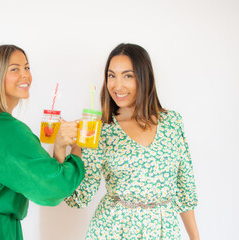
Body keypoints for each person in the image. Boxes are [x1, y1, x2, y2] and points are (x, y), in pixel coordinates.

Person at [0, 45, 85, 240]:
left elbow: (43, 180)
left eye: (27, 68)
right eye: (14, 69)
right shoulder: (7, 130)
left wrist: (59, 145)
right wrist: (77, 151)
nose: (25, 75)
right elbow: (53, 187)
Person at [65, 43, 199, 239]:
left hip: (164, 231)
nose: (117, 86)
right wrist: (70, 148)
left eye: (128, 75)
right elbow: (80, 198)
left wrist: (195, 237)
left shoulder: (172, 122)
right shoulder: (101, 130)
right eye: (112, 75)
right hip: (113, 230)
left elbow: (185, 190)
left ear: (144, 77)